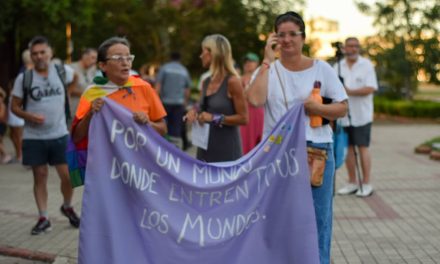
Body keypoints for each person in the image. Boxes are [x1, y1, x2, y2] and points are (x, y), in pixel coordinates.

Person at [246, 12, 348, 264]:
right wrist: (267, 61)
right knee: (278, 214)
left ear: (303, 37)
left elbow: (342, 107)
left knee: (317, 217)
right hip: (278, 153)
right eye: (281, 35)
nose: (287, 39)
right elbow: (255, 100)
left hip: (316, 150)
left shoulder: (321, 68)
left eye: (293, 34)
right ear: (273, 39)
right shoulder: (268, 70)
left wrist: (318, 109)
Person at [10, 36, 80, 235]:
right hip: (34, 136)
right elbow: (14, 106)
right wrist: (27, 115)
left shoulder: (62, 71)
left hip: (60, 134)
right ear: (31, 56)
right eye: (35, 53)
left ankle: (67, 206)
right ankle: (43, 217)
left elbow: (74, 78)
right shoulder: (24, 78)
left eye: (43, 52)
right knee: (39, 176)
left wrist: (68, 93)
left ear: (50, 53)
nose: (39, 56)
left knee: (68, 177)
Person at [71, 36, 166, 150]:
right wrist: (90, 114)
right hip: (105, 164)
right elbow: (76, 137)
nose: (125, 63)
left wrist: (147, 123)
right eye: (118, 58)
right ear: (103, 66)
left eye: (128, 57)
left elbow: (163, 129)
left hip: (139, 164)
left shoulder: (144, 87)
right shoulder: (92, 93)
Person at [184, 34, 248, 162]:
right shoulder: (206, 81)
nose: (200, 55)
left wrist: (215, 118)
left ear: (213, 54)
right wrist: (193, 112)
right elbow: (202, 107)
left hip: (226, 150)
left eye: (203, 51)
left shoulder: (233, 81)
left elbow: (244, 118)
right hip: (205, 148)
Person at [335, 37, 378, 197]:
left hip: (362, 116)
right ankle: (352, 182)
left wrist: (348, 91)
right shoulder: (338, 66)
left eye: (355, 46)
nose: (352, 49)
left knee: (362, 148)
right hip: (344, 116)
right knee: (349, 149)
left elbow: (370, 88)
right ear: (344, 48)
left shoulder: (366, 65)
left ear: (358, 48)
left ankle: (366, 183)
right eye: (349, 46)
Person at [155, 52, 191, 149]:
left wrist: (156, 100)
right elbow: (187, 90)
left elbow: (158, 85)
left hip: (165, 103)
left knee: (164, 127)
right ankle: (175, 150)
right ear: (180, 59)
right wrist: (185, 102)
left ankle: (163, 148)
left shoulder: (164, 68)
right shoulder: (184, 70)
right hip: (179, 103)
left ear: (170, 58)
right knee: (176, 128)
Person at [239, 52, 264, 154]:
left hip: (258, 114)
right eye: (246, 61)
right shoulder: (238, 79)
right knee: (244, 142)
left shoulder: (261, 78)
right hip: (243, 114)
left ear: (257, 63)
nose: (248, 63)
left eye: (251, 61)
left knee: (258, 144)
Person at [69, 48, 98, 114]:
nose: (94, 61)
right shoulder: (71, 68)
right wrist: (85, 94)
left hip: (87, 110)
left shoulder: (92, 69)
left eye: (96, 59)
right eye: (92, 58)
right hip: (73, 109)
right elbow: (66, 90)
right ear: (84, 56)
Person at [0, 87, 12, 164]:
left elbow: (1, 116)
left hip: (1, 125)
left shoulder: (2, 105)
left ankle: (6, 155)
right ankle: (3, 156)